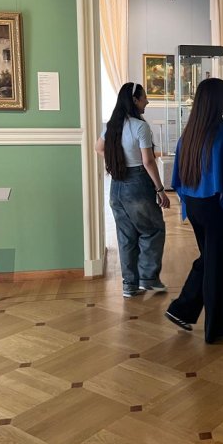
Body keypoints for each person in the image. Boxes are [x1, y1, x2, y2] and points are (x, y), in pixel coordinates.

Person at [166, 78, 223, 343]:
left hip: (195, 205)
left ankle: (182, 309)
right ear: (221, 101)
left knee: (210, 258)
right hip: (218, 207)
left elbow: (179, 175)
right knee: (222, 267)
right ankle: (217, 328)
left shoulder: (190, 132)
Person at [96, 82, 170, 298]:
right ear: (135, 100)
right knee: (153, 230)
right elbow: (148, 161)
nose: (147, 101)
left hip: (116, 186)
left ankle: (130, 285)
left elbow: (98, 148)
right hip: (137, 183)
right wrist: (160, 189)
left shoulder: (111, 125)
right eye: (144, 97)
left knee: (126, 236)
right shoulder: (140, 126)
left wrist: (117, 160)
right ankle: (148, 279)